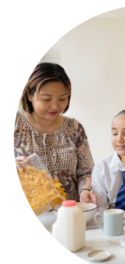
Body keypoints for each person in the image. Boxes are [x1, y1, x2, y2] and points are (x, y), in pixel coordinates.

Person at [14, 63, 97, 205]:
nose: (55, 106)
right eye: (46, 99)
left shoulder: (74, 127)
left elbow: (85, 171)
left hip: (70, 211)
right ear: (29, 94)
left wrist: (85, 191)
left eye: (62, 99)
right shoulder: (16, 123)